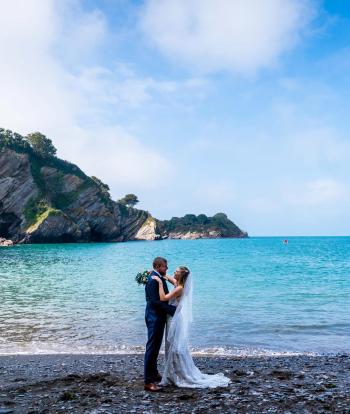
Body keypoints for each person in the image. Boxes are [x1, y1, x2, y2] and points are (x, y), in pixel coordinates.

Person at [152, 266, 231, 388]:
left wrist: (159, 283)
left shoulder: (179, 288)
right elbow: (171, 279)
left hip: (174, 320)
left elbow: (163, 298)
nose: (174, 272)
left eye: (176, 272)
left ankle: (177, 374)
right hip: (173, 317)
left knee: (173, 346)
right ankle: (171, 373)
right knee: (171, 345)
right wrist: (159, 275)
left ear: (181, 276)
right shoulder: (178, 284)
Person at [144, 257, 176, 392]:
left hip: (158, 317)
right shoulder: (153, 280)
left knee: (156, 347)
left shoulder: (157, 277)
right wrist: (174, 311)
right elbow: (155, 302)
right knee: (151, 348)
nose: (167, 268)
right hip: (154, 317)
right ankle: (148, 381)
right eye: (164, 266)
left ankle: (154, 373)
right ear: (158, 266)